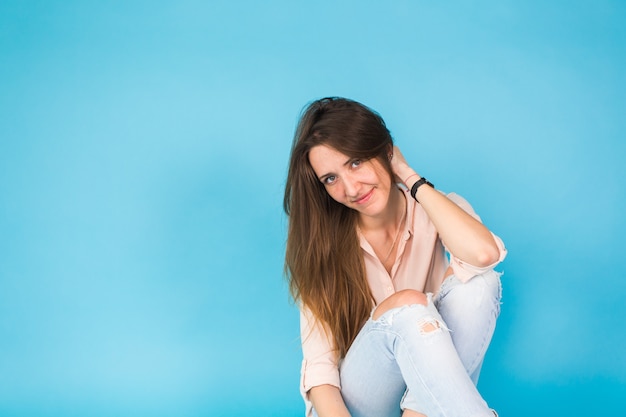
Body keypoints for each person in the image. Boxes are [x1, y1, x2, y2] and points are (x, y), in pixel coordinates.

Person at [283, 97, 507, 417]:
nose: (350, 188)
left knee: (479, 284)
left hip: (432, 400)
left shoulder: (439, 211)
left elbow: (484, 255)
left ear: (384, 150)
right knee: (407, 307)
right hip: (361, 401)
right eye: (330, 178)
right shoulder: (320, 244)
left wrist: (408, 175)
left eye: (355, 162)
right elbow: (320, 372)